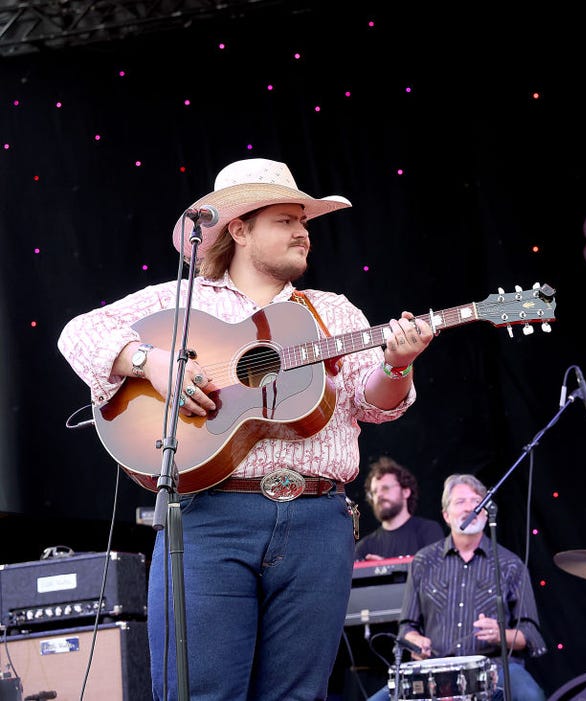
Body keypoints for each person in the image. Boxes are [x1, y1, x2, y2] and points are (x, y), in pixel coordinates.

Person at [57, 157, 434, 701]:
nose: (303, 232)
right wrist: (152, 362)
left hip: (317, 520)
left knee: (297, 695)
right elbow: (79, 332)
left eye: (304, 221)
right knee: (203, 692)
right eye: (285, 220)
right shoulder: (179, 302)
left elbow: (373, 405)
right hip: (211, 519)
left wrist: (397, 365)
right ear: (238, 229)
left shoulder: (334, 313)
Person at [367, 473, 548, 701]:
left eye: (476, 501)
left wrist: (501, 634)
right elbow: (407, 628)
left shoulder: (510, 564)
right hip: (436, 669)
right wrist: (414, 641)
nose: (469, 507)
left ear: (486, 510)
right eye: (460, 502)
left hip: (495, 668)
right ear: (446, 515)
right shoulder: (424, 561)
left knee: (530, 696)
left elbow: (530, 635)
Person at [355, 456, 445, 561]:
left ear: (405, 492)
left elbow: (436, 573)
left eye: (385, 488)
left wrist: (384, 569)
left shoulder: (428, 531)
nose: (379, 495)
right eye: (374, 492)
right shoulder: (364, 548)